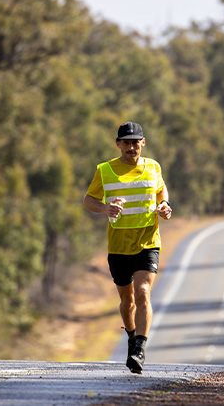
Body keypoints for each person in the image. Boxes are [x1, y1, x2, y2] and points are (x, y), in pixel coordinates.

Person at [83, 122, 172, 374]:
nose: (131, 147)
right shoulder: (106, 170)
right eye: (127, 142)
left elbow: (160, 189)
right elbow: (88, 200)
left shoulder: (153, 167)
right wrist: (105, 208)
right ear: (118, 144)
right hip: (119, 246)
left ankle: (140, 350)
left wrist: (164, 204)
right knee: (127, 299)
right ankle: (132, 338)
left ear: (142, 143)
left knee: (143, 291)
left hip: (147, 241)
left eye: (136, 142)